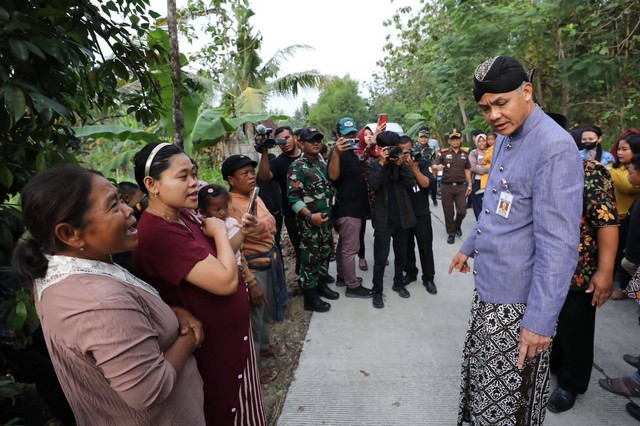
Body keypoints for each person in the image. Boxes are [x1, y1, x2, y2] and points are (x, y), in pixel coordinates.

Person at [13, 164, 205, 424]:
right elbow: (149, 390)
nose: (131, 212)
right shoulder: (98, 302)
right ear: (70, 233)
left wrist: (172, 312)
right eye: (114, 206)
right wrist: (188, 341)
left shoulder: (70, 270)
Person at [449, 56, 583, 425]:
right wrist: (467, 247)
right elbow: (495, 205)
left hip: (519, 306)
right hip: (490, 290)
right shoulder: (507, 136)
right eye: (485, 107)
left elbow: (558, 246)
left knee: (508, 404)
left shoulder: (553, 146)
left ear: (527, 91)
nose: (492, 115)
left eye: (500, 103)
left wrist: (539, 322)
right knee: (483, 394)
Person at [132, 143, 266, 425]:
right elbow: (226, 280)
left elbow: (222, 256)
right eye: (183, 177)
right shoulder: (159, 234)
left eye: (194, 174)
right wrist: (218, 230)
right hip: (215, 352)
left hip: (232, 342)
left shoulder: (183, 216)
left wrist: (241, 232)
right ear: (151, 184)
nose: (194, 183)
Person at [547, 159, 619, 413]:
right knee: (552, 323)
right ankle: (554, 365)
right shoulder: (532, 162)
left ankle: (571, 384)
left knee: (574, 327)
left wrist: (606, 270)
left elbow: (606, 220)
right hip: (542, 264)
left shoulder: (588, 170)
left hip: (578, 266)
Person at [221, 156, 290, 383]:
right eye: (245, 173)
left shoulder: (254, 196)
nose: (251, 176)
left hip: (268, 260)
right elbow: (234, 248)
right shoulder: (229, 206)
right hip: (253, 266)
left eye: (252, 171)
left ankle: (264, 347)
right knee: (255, 316)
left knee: (265, 311)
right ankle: (254, 369)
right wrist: (250, 281)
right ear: (231, 179)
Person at [288, 127, 339, 312]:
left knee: (325, 252)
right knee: (310, 258)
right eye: (311, 140)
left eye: (318, 139)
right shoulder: (298, 166)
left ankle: (321, 285)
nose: (316, 143)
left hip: (325, 220)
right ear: (301, 143)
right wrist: (309, 216)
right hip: (310, 223)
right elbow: (293, 198)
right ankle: (310, 297)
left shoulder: (320, 161)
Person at [368, 131, 417, 308]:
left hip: (402, 217)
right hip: (383, 218)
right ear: (381, 149)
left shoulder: (401, 162)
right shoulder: (374, 164)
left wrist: (401, 164)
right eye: (387, 148)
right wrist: (382, 163)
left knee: (401, 255)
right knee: (380, 258)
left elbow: (411, 184)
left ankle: (398, 283)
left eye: (393, 148)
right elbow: (374, 185)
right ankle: (377, 290)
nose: (391, 152)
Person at [328, 118, 374, 298]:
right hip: (348, 209)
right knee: (350, 249)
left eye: (353, 134)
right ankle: (352, 286)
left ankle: (342, 276)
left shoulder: (351, 153)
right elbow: (332, 176)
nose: (351, 137)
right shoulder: (337, 153)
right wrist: (337, 152)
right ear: (338, 135)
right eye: (347, 135)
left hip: (353, 209)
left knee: (343, 247)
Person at [257, 126, 303, 274]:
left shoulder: (307, 156)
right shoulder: (277, 162)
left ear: (295, 138)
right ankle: (305, 283)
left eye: (287, 138)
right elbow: (264, 177)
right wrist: (264, 152)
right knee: (300, 249)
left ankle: (321, 278)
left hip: (316, 209)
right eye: (280, 141)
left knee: (321, 247)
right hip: (293, 214)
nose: (285, 143)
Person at [397, 136, 437, 294]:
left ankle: (428, 278)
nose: (405, 154)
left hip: (421, 212)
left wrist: (414, 168)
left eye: (408, 150)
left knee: (425, 247)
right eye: (402, 151)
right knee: (407, 247)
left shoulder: (422, 162)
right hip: (404, 213)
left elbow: (427, 184)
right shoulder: (396, 164)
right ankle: (410, 273)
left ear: (412, 148)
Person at [609, 131, 640, 299]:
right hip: (620, 219)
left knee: (630, 256)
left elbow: (628, 186)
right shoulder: (617, 169)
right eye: (619, 149)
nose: (619, 153)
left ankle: (629, 290)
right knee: (621, 253)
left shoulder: (614, 171)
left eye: (624, 149)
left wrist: (610, 171)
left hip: (629, 221)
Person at [433, 129, 472, 244]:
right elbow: (434, 165)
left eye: (457, 139)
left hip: (460, 187)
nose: (455, 141)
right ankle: (451, 233)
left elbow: (467, 169)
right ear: (449, 141)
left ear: (461, 140)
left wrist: (469, 183)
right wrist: (437, 167)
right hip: (446, 187)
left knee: (462, 211)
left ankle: (457, 225)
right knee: (448, 212)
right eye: (452, 139)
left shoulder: (465, 154)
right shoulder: (443, 153)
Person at [355, 125, 381, 272]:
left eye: (371, 134)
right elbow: (362, 158)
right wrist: (372, 144)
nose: (369, 136)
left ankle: (379, 255)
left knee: (380, 229)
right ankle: (362, 257)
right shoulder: (358, 153)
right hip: (363, 197)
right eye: (366, 135)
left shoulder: (378, 153)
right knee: (361, 230)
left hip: (377, 197)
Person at [469, 133, 489, 219]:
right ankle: (480, 223)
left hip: (490, 181)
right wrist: (488, 169)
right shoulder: (474, 153)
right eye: (479, 141)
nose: (481, 143)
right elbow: (472, 167)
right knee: (477, 204)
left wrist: (481, 168)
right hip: (477, 182)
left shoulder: (492, 150)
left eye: (483, 141)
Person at [418, 127, 439, 206]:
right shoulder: (414, 148)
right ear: (418, 138)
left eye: (425, 137)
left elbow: (435, 158)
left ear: (428, 138)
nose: (423, 139)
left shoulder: (431, 148)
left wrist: (435, 170)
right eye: (422, 137)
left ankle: (434, 198)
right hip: (419, 170)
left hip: (430, 169)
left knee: (433, 184)